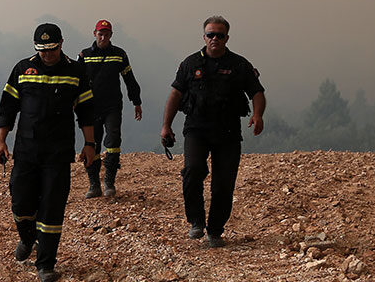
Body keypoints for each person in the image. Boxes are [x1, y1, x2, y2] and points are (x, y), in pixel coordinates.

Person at [0, 23, 97, 282]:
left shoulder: (76, 71)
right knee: (20, 203)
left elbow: (86, 112)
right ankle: (27, 239)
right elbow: (8, 107)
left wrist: (90, 145)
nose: (47, 54)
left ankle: (46, 265)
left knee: (52, 208)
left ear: (62, 43)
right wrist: (1, 141)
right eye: (41, 50)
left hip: (58, 153)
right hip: (26, 151)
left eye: (51, 49)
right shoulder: (22, 69)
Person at [159, 15, 266, 248]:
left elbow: (256, 92)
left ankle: (215, 230)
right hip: (196, 129)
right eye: (210, 34)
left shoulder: (239, 65)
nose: (215, 38)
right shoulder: (190, 64)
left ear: (227, 37)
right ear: (204, 36)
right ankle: (196, 221)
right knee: (193, 171)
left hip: (227, 132)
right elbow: (175, 95)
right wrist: (166, 125)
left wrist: (258, 115)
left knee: (223, 183)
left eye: (220, 35)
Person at [77, 19, 142, 198]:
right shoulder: (84, 55)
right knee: (92, 143)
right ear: (94, 34)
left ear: (111, 35)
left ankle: (109, 182)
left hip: (112, 106)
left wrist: (136, 101)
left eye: (106, 34)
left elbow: (129, 79)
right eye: (100, 33)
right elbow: (77, 82)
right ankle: (94, 184)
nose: (103, 37)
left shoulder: (119, 54)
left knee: (113, 142)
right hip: (90, 107)